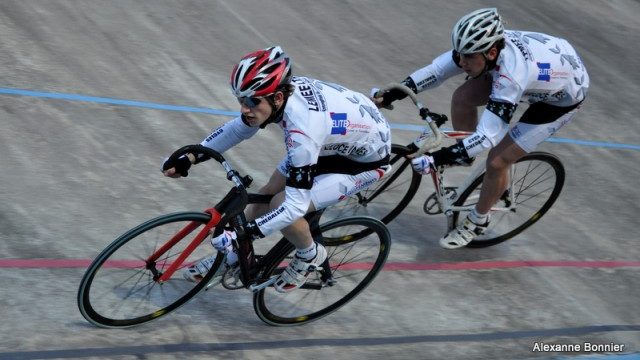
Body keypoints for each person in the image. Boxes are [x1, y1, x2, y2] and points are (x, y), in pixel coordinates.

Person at [163, 46, 391, 292]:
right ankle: (232, 258)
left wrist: (246, 232)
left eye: (251, 101)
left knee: (281, 203)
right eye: (241, 100)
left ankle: (309, 255)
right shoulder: (278, 97)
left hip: (362, 164)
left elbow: (294, 207)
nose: (244, 108)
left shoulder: (303, 132)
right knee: (267, 192)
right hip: (332, 143)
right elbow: (238, 128)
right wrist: (190, 157)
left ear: (277, 98)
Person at [373, 8, 589, 249]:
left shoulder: (511, 76)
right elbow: (436, 72)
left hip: (559, 101)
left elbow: (488, 135)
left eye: (467, 57)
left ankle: (478, 220)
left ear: (491, 52)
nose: (461, 61)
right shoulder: (482, 49)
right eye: (459, 54)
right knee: (462, 98)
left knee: (497, 161)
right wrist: (392, 94)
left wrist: (440, 157)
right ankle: (465, 156)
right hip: (544, 68)